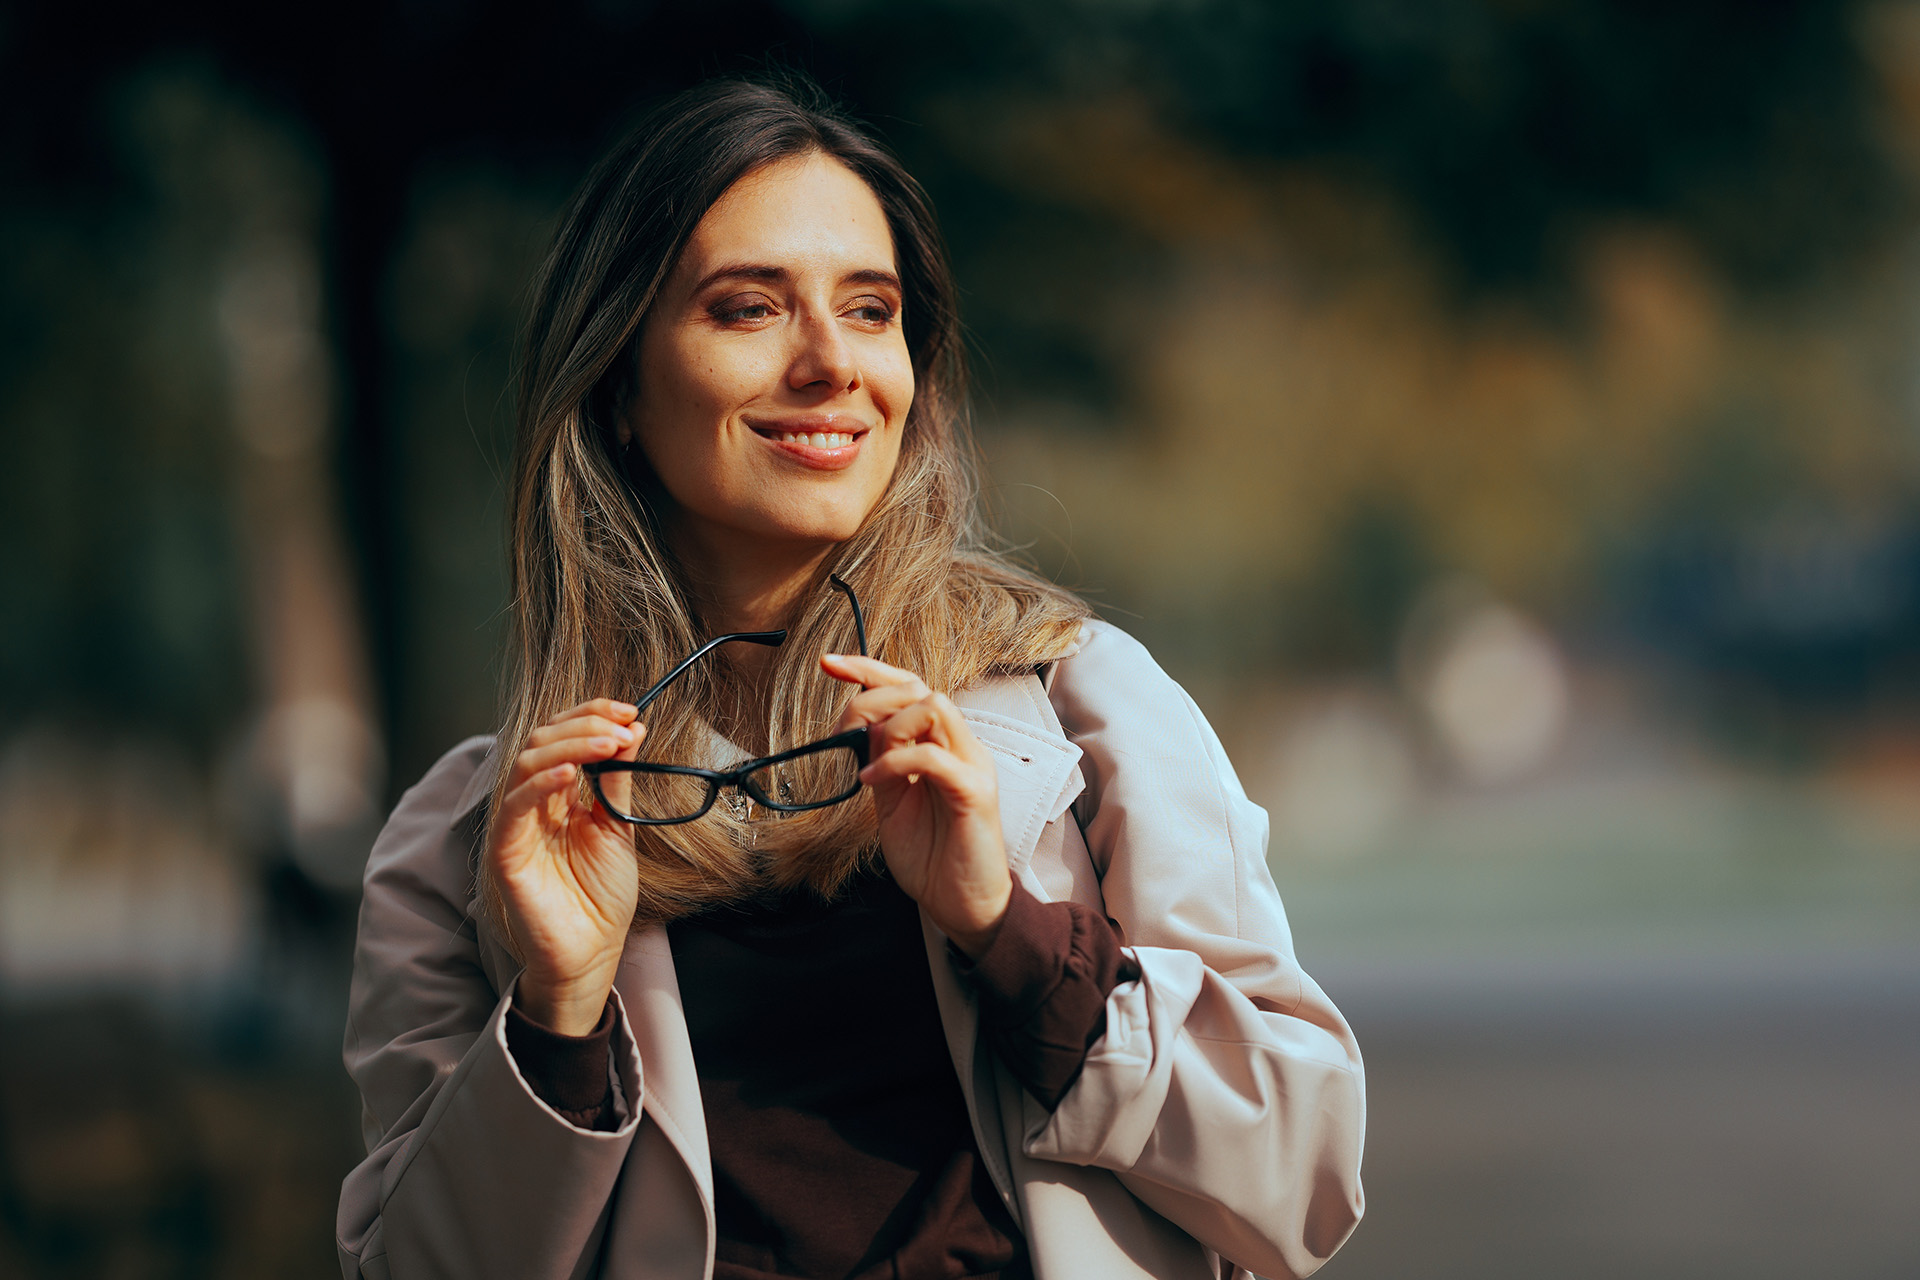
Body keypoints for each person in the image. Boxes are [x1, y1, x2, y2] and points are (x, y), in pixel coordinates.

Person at [336, 78, 1364, 1280]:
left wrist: (1015, 933)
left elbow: (1308, 1180)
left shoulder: (1089, 714)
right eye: (748, 308)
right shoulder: (472, 839)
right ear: (618, 380)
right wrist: (557, 1012)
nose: (830, 363)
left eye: (870, 310)